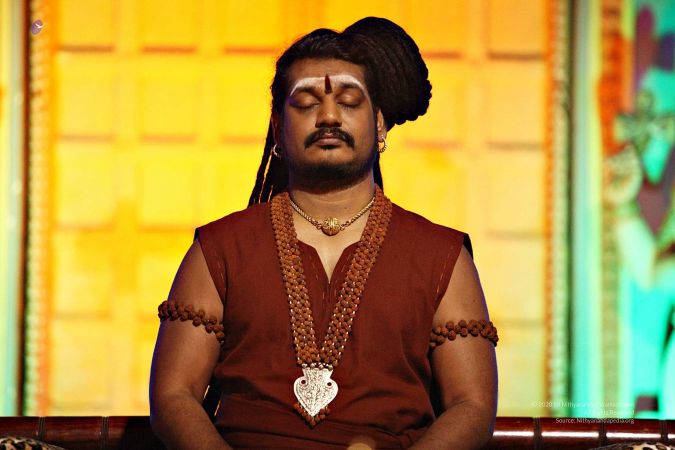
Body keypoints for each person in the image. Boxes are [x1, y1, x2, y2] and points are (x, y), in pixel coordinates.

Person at [149, 17, 498, 449]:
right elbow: (174, 395)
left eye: (349, 101)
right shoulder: (219, 249)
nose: (329, 116)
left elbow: (472, 407)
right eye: (306, 102)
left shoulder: (441, 255)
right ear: (278, 126)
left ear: (380, 124)